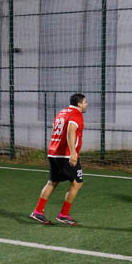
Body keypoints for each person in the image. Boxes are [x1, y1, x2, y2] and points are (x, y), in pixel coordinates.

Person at [30, 93, 88, 225]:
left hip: (53, 152)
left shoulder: (62, 112)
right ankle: (64, 214)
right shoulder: (76, 114)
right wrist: (73, 153)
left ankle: (38, 212)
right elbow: (70, 131)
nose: (86, 104)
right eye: (85, 102)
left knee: (52, 182)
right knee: (77, 183)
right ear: (79, 104)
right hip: (65, 154)